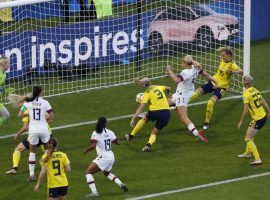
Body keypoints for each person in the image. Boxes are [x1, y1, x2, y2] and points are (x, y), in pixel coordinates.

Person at [167, 55, 218, 142]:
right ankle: (147, 116)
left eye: (182, 62)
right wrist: (215, 81)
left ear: (185, 63)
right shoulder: (195, 68)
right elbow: (206, 74)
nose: (181, 63)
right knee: (162, 104)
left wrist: (170, 70)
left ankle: (197, 134)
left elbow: (176, 80)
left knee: (183, 118)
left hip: (182, 95)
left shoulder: (186, 72)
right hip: (184, 93)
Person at [189, 47, 243, 130]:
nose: (222, 57)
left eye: (223, 56)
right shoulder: (223, 60)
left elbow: (241, 71)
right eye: (221, 56)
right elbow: (225, 50)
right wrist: (222, 49)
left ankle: (206, 123)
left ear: (229, 55)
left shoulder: (232, 65)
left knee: (210, 103)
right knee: (196, 93)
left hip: (221, 88)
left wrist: (235, 72)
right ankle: (179, 104)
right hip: (213, 82)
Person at [84, 117, 128, 197]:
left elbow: (93, 146)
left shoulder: (95, 133)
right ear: (105, 124)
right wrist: (120, 139)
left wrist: (86, 150)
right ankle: (121, 184)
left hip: (103, 156)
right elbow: (117, 142)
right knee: (107, 173)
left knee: (88, 172)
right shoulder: (110, 132)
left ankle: (94, 192)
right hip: (111, 156)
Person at [18, 86, 54, 181]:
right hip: (43, 129)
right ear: (41, 92)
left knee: (32, 152)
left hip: (33, 130)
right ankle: (50, 170)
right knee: (47, 150)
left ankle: (32, 175)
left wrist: (29, 114)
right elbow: (51, 116)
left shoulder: (28, 102)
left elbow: (20, 115)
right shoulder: (45, 102)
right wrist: (45, 120)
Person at [125, 77, 171, 152]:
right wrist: (169, 95)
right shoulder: (158, 87)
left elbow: (141, 107)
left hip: (155, 112)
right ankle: (148, 145)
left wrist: (134, 118)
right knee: (154, 133)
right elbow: (169, 88)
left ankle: (131, 135)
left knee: (145, 118)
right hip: (166, 113)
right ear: (150, 82)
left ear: (143, 85)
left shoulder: (147, 93)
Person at [6, 110, 53, 175]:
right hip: (48, 134)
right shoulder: (41, 107)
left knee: (18, 149)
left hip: (36, 135)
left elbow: (25, 127)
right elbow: (50, 119)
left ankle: (15, 169)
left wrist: (17, 134)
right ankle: (54, 166)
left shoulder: (26, 111)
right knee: (48, 152)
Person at [237, 75, 270, 165]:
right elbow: (263, 101)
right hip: (262, 116)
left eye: (243, 81)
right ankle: (248, 153)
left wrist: (241, 121)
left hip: (258, 119)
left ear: (246, 83)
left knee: (248, 138)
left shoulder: (246, 94)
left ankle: (258, 159)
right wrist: (269, 110)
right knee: (250, 135)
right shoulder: (255, 89)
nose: (242, 82)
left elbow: (246, 110)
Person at [0, 56, 11, 128]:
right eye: (7, 63)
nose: (8, 65)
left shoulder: (4, 74)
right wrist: (5, 90)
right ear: (2, 64)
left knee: (5, 115)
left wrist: (5, 90)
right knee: (6, 114)